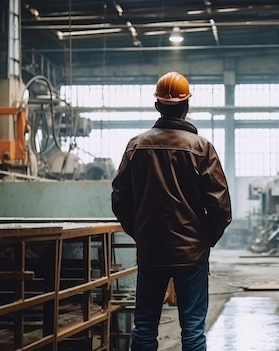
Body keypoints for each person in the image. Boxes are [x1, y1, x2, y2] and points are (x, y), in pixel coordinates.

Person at [111, 71, 232, 351]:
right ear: (186, 106)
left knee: (144, 327)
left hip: (151, 251)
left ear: (157, 106)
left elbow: (120, 199)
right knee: (192, 330)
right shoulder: (201, 148)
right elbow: (220, 207)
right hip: (192, 255)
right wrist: (203, 241)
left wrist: (140, 232)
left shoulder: (136, 146)